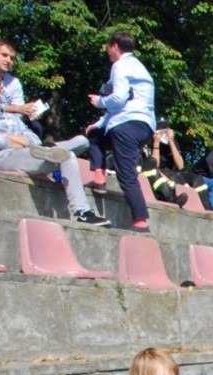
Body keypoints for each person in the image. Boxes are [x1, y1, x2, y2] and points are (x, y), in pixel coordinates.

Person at [0, 67, 110, 226]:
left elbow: (33, 139)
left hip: (29, 152)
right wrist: (20, 140)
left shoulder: (10, 116)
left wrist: (11, 138)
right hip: (4, 157)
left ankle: (50, 152)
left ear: (1, 87)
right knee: (67, 155)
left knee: (82, 141)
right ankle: (82, 211)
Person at [86, 31, 155, 233]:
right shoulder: (139, 68)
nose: (108, 52)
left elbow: (118, 99)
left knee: (126, 174)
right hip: (143, 125)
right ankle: (99, 177)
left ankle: (141, 220)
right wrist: (99, 123)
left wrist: (99, 102)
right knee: (95, 134)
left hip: (127, 125)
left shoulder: (120, 66)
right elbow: (121, 106)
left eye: (109, 47)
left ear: (115, 46)